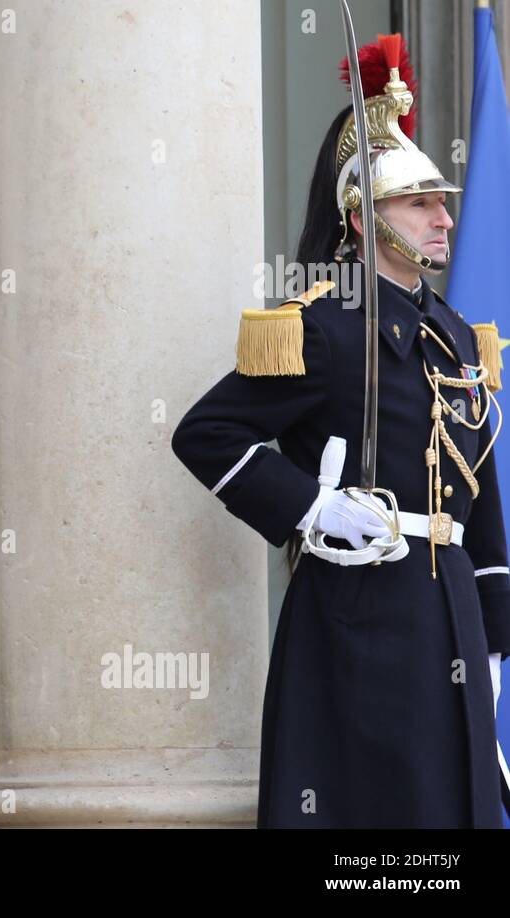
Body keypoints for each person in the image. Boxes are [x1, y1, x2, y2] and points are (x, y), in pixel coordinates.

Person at [172, 34, 509, 827]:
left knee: (449, 811)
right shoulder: (322, 329)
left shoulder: (456, 332)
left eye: (443, 202)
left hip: (449, 604)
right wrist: (312, 511)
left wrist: (496, 629)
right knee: (369, 810)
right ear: (364, 216)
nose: (443, 220)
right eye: (420, 203)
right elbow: (207, 434)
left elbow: (480, 482)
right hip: (362, 597)